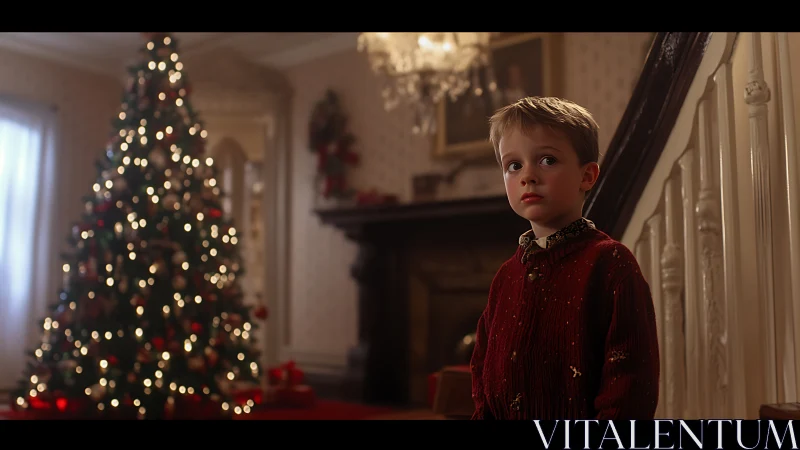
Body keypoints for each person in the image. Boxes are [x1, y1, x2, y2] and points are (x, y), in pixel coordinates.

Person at [469, 96, 660, 420]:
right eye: (513, 165)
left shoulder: (611, 264)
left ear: (587, 176)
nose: (527, 175)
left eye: (546, 160)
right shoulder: (506, 276)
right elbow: (483, 369)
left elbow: (629, 383)